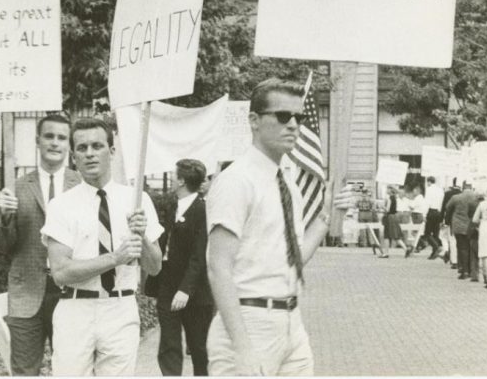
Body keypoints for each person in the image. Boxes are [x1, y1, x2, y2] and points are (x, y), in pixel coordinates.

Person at [205, 78, 355, 376]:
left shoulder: (287, 182)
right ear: (254, 121)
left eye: (298, 118)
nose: (294, 125)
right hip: (249, 319)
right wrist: (243, 346)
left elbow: (294, 257)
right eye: (283, 116)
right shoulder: (237, 180)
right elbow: (217, 266)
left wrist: (326, 215)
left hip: (290, 322)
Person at [40, 118, 164, 375]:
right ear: (73, 157)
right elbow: (61, 272)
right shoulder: (61, 205)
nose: (90, 154)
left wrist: (141, 237)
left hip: (121, 307)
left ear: (112, 150)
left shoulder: (138, 200)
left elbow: (154, 267)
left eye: (97, 146)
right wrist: (115, 258)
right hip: (75, 310)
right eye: (82, 148)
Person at [0, 114, 80, 375]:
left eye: (61, 138)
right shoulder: (15, 187)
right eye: (49, 136)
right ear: (37, 141)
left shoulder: (82, 187)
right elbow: (3, 247)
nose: (55, 143)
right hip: (26, 294)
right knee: (24, 371)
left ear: (69, 145)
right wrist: (5, 217)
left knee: (72, 370)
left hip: (72, 293)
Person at [148, 159, 214, 376]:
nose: (172, 179)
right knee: (169, 345)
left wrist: (186, 289)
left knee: (199, 349)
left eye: (174, 176)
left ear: (182, 181)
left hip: (196, 292)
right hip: (167, 285)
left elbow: (199, 255)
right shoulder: (171, 206)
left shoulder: (203, 210)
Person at [445, 182, 479, 281]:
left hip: (458, 226)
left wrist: (448, 221)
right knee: (471, 248)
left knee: (461, 247)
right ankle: (471, 271)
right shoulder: (475, 197)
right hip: (471, 226)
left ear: (463, 188)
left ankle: (464, 270)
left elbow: (447, 208)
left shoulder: (456, 197)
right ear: (471, 188)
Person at [381, 185, 409, 258]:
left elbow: (387, 210)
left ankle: (386, 253)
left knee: (386, 235)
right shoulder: (395, 198)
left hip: (389, 218)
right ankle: (405, 249)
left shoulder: (390, 198)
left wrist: (382, 206)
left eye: (387, 189)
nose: (386, 190)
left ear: (390, 190)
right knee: (395, 235)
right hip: (394, 217)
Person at [420, 176, 445, 259]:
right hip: (438, 212)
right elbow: (442, 202)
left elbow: (427, 202)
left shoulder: (429, 189)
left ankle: (437, 247)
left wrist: (424, 214)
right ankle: (434, 253)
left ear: (429, 182)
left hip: (431, 212)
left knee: (427, 233)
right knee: (435, 233)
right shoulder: (440, 190)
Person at [440, 178, 462, 268]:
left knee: (452, 240)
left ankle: (454, 261)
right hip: (463, 220)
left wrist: (443, 220)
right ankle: (460, 260)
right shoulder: (463, 194)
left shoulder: (448, 194)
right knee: (461, 241)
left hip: (452, 220)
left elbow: (444, 208)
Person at [407, 185, 427, 257]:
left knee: (415, 232)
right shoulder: (421, 198)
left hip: (416, 215)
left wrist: (409, 201)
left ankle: (420, 244)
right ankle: (420, 245)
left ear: (418, 191)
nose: (413, 192)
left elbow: (411, 206)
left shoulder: (417, 198)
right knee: (416, 232)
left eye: (414, 190)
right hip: (418, 215)